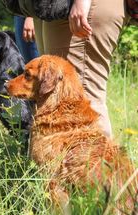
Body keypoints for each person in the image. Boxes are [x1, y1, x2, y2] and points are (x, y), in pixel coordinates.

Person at [31, 0, 130, 138]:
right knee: (55, 100)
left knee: (84, 101)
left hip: (86, 7)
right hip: (55, 7)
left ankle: (99, 159)